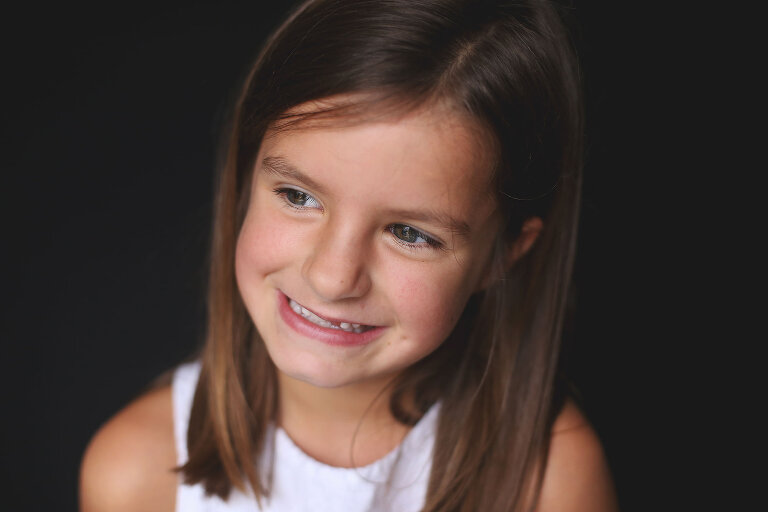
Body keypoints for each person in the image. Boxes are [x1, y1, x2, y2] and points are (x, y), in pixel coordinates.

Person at [80, 0, 618, 510]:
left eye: (409, 233)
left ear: (504, 254)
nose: (334, 278)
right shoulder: (135, 473)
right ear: (244, 179)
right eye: (299, 197)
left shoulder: (548, 481)